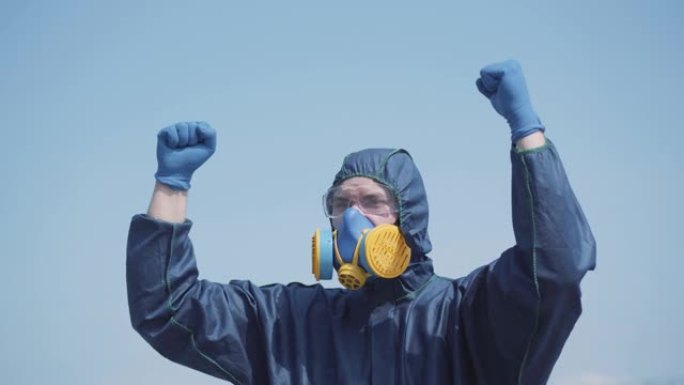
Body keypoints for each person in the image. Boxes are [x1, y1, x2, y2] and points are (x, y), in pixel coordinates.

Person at [127, 60, 596, 385]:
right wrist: (171, 186)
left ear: (409, 219)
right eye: (340, 203)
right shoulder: (287, 323)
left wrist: (527, 133)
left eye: (373, 201)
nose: (353, 218)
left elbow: (555, 268)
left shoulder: (465, 316)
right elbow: (168, 310)